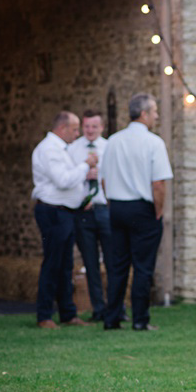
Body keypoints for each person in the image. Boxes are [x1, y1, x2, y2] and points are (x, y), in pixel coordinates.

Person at [100, 93, 174, 331]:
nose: (156, 116)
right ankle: (140, 320)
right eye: (154, 111)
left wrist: (112, 203)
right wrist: (158, 211)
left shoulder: (112, 140)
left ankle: (112, 318)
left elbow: (103, 179)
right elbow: (158, 184)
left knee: (118, 265)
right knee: (143, 266)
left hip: (117, 207)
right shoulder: (153, 142)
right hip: (143, 209)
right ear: (143, 114)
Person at [31, 111, 96, 329]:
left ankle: (68, 313)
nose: (78, 134)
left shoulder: (61, 150)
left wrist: (81, 199)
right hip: (52, 212)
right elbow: (62, 180)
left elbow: (70, 182)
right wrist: (86, 165)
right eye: (75, 129)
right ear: (62, 128)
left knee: (66, 264)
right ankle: (44, 315)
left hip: (65, 212)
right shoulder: (49, 149)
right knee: (53, 263)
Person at [68, 109, 123, 322]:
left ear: (101, 127)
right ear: (83, 127)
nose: (90, 130)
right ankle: (98, 309)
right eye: (87, 126)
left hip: (104, 208)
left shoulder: (109, 147)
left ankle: (116, 308)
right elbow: (68, 177)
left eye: (94, 126)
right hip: (84, 211)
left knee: (113, 261)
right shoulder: (73, 149)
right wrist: (84, 176)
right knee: (90, 263)